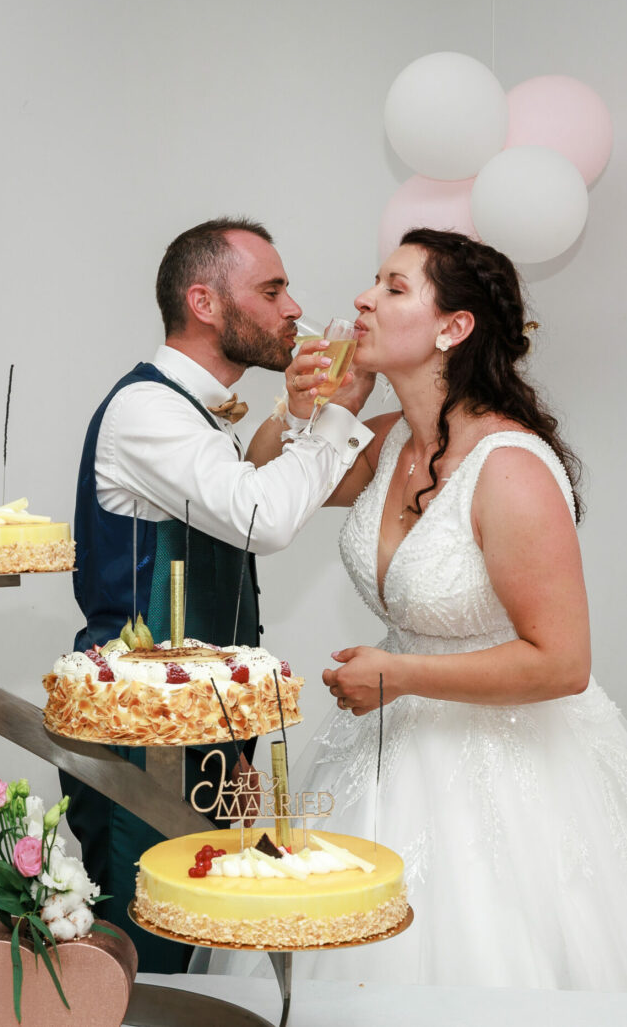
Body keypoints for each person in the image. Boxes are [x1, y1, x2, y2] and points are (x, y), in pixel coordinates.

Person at [263, 227, 627, 988]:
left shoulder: (510, 469)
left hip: (505, 769)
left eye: (393, 288)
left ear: (451, 328)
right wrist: (297, 408)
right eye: (372, 283)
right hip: (388, 744)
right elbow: (260, 497)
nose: (361, 300)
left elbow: (561, 663)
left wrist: (398, 674)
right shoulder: (388, 438)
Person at [62, 216, 373, 972]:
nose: (293, 307)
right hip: (140, 733)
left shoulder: (193, 412)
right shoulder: (146, 410)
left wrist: (299, 416)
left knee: (192, 934)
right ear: (204, 303)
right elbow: (259, 517)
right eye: (271, 289)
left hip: (203, 723)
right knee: (142, 952)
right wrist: (338, 414)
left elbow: (242, 490)